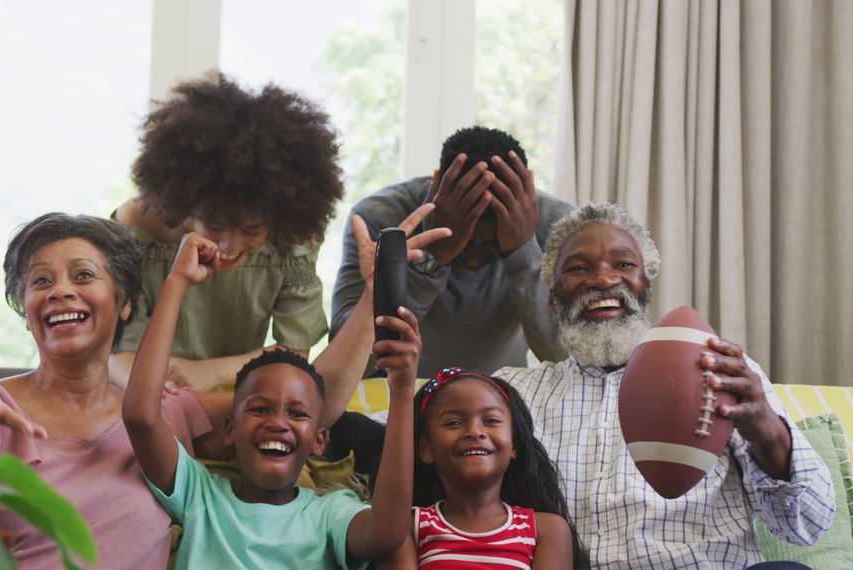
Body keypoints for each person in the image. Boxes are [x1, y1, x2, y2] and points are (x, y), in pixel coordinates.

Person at [0, 208, 444, 568]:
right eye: (40, 281)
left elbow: (308, 402)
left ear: (124, 304)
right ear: (25, 312)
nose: (60, 291)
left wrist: (375, 295)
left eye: (82, 275)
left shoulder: (170, 413)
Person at [493, 202, 835, 567]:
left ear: (646, 287)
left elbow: (806, 525)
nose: (603, 280)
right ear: (552, 299)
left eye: (623, 264)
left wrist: (766, 429)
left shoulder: (720, 370)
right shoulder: (514, 393)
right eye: (579, 268)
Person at [122, 230, 421, 569]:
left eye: (297, 414)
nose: (277, 422)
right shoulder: (198, 494)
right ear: (229, 430)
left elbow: (388, 532)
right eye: (260, 409)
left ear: (319, 439)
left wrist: (401, 388)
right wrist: (177, 281)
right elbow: (141, 417)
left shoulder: (331, 511)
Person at [110, 71, 345, 391]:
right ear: (186, 205)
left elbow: (295, 349)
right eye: (215, 226)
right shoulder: (140, 225)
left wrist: (209, 373)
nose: (229, 245)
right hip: (143, 392)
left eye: (252, 230)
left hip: (240, 395)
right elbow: (119, 350)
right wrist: (161, 394)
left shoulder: (291, 241)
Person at [332, 126, 574, 378]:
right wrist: (430, 258)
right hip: (391, 396)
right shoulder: (380, 218)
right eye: (465, 243)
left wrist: (523, 253)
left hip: (499, 398)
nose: (474, 257)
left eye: (493, 245)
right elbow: (345, 359)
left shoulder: (558, 225)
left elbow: (562, 355)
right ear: (436, 185)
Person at [378, 367, 584, 569]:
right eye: (453, 423)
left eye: (491, 420)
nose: (475, 432)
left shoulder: (547, 530)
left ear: (514, 444)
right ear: (425, 449)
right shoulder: (406, 528)